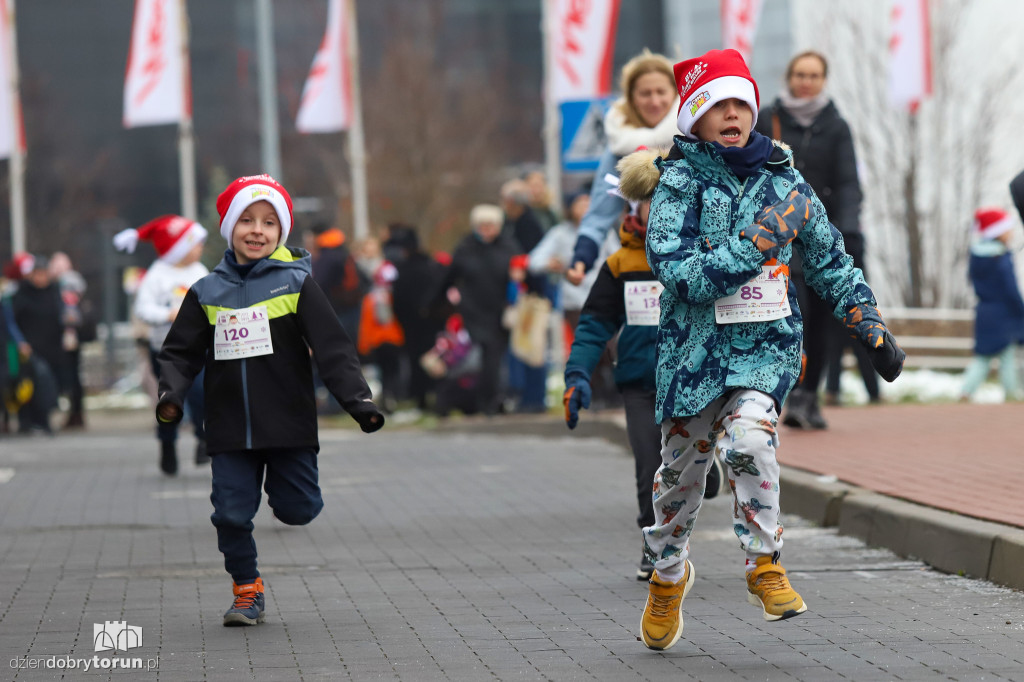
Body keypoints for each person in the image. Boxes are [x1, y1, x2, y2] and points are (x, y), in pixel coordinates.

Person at [638, 49, 906, 650]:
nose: (732, 114)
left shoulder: (786, 181)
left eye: (741, 103)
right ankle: (667, 573)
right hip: (693, 357)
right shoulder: (675, 183)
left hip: (765, 347)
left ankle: (765, 563)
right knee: (679, 484)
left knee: (750, 440)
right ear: (695, 117)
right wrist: (756, 243)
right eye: (718, 105)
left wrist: (869, 325)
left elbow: (831, 263)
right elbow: (681, 276)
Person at [154, 174, 384, 627]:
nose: (257, 230)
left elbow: (334, 349)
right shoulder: (206, 291)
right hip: (229, 428)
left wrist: (359, 402)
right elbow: (180, 352)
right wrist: (171, 396)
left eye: (269, 223)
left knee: (299, 510)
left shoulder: (296, 285)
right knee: (231, 514)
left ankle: (289, 498)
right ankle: (246, 591)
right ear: (229, 228)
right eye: (247, 220)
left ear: (281, 233)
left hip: (288, 424)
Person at [562, 149, 725, 582]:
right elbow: (594, 325)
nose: (659, 206)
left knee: (690, 465)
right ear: (635, 203)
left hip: (692, 377)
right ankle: (655, 549)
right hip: (640, 381)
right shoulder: (621, 265)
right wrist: (577, 375)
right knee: (647, 465)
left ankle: (709, 468)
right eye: (651, 198)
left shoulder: (704, 255)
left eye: (668, 196)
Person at [755, 50, 866, 429]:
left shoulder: (837, 126)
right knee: (791, 310)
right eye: (800, 74)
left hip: (822, 233)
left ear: (823, 80)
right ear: (789, 77)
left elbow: (849, 182)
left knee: (820, 320)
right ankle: (783, 387)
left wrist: (848, 228)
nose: (806, 81)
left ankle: (808, 395)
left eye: (814, 75)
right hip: (777, 232)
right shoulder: (768, 119)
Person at [566, 49, 679, 286]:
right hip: (641, 262)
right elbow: (599, 213)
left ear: (676, 93)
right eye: (645, 93)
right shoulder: (619, 148)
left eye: (661, 92)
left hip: (694, 259)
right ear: (631, 98)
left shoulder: (693, 136)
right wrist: (581, 259)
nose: (655, 101)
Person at [114, 215, 211, 474]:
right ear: (179, 247)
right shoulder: (157, 275)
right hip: (166, 351)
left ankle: (204, 440)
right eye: (195, 243)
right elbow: (143, 309)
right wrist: (168, 314)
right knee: (171, 401)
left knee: (202, 394)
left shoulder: (199, 271)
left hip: (198, 348)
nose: (200, 248)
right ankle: (167, 442)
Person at [435, 204, 518, 415]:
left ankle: (491, 399)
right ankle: (477, 400)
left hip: (500, 312)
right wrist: (433, 303)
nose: (486, 230)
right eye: (482, 225)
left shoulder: (509, 248)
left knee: (494, 357)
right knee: (478, 356)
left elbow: (522, 274)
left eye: (490, 225)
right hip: (473, 311)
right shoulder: (465, 248)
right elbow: (448, 277)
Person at [958, 208, 1024, 402]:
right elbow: (1010, 288)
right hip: (1003, 313)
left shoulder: (976, 257)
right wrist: (1020, 309)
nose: (1011, 233)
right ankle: (1011, 395)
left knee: (982, 357)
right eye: (1008, 229)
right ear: (999, 232)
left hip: (984, 311)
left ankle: (966, 392)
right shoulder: (1001, 257)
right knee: (1007, 356)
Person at [11, 255, 65, 435]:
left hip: (52, 347)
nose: (41, 278)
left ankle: (44, 420)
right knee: (31, 385)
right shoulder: (21, 293)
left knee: (48, 385)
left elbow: (61, 316)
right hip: (29, 348)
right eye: (38, 274)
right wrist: (20, 342)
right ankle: (26, 421)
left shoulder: (54, 291)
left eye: (44, 274)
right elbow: (13, 321)